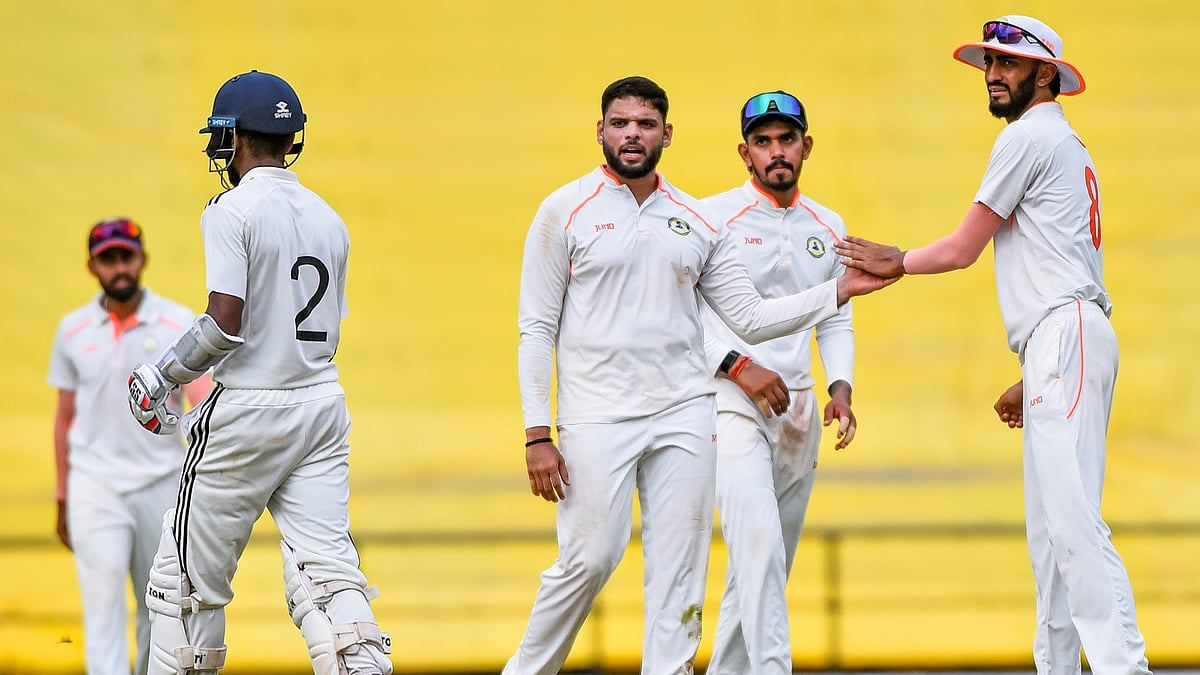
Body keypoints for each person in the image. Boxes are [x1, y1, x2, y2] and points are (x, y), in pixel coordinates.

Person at [507, 75, 894, 675]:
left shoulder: (694, 218)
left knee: (681, 578)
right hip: (599, 413)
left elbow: (748, 316)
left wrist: (838, 291)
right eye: (620, 123)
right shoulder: (565, 210)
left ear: (667, 133)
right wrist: (537, 434)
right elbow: (536, 328)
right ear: (601, 131)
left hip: (686, 411)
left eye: (645, 124)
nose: (632, 135)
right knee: (591, 558)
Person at [835, 15, 1150, 675]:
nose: (993, 74)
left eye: (1007, 63)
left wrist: (897, 261)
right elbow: (1061, 260)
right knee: (1050, 536)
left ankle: (1127, 667)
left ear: (1046, 75)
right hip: (1060, 336)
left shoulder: (1029, 137)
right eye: (989, 63)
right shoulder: (1059, 141)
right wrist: (1036, 358)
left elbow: (961, 248)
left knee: (1073, 523)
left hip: (1066, 331)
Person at [125, 70, 392, 675]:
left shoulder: (231, 208)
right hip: (322, 405)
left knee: (182, 584)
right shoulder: (329, 216)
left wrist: (162, 373)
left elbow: (224, 325)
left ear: (233, 138)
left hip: (249, 407)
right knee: (328, 576)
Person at [699, 90, 856, 675]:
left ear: (806, 145)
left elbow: (836, 314)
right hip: (730, 402)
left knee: (763, 568)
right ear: (744, 153)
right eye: (762, 141)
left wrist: (840, 385)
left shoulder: (828, 224)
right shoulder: (713, 217)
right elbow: (684, 316)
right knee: (758, 550)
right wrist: (739, 366)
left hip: (799, 411)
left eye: (786, 138)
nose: (776, 151)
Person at [49, 218, 212, 675]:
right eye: (108, 259)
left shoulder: (178, 322)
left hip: (162, 484)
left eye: (126, 256)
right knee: (102, 609)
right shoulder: (73, 330)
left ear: (143, 259)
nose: (119, 268)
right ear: (92, 266)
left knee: (157, 606)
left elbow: (201, 402)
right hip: (95, 486)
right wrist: (63, 496)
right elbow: (64, 420)